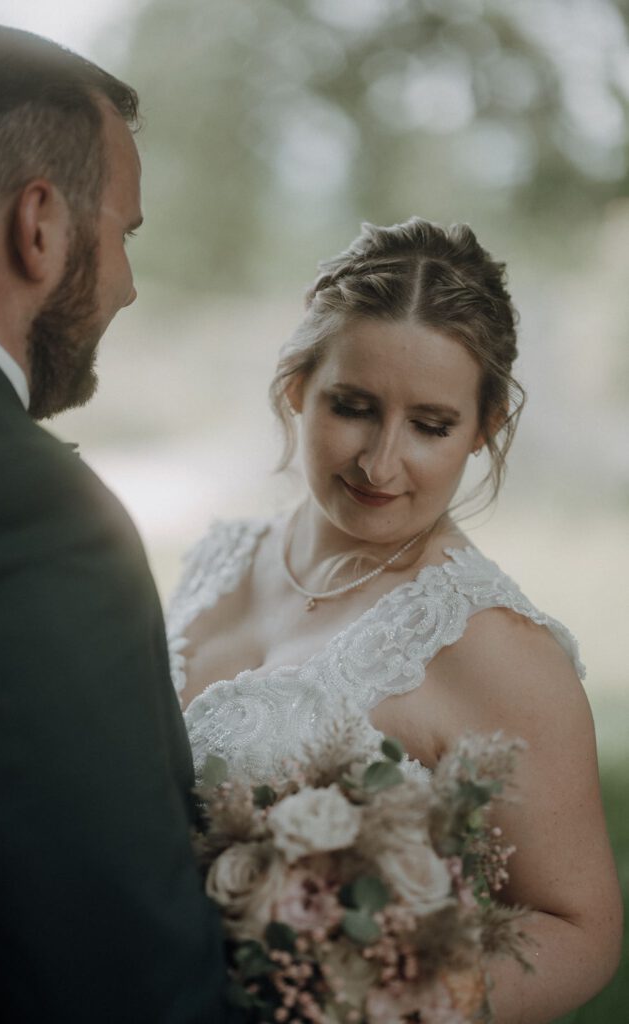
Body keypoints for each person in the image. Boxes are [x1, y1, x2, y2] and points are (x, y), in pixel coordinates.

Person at [167, 218, 622, 1023]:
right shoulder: (219, 560)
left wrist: (389, 1001)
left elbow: (579, 928)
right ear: (295, 388)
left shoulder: (492, 646)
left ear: (483, 429)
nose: (379, 463)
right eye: (352, 406)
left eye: (430, 425)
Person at [0, 24, 228, 1023]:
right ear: (41, 223)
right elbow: (123, 982)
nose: (128, 285)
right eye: (125, 234)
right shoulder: (21, 508)